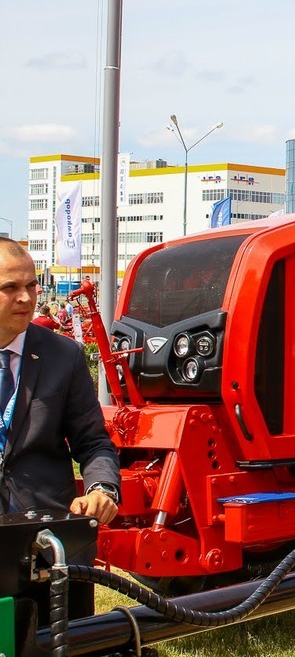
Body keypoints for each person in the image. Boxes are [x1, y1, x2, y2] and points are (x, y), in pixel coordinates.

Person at [0, 238, 120, 622]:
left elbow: (93, 442)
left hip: (47, 542)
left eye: (31, 286)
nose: (26, 298)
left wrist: (103, 489)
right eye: (10, 288)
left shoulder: (62, 355)